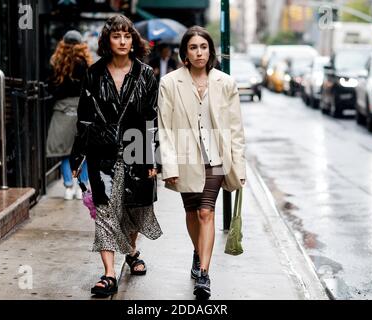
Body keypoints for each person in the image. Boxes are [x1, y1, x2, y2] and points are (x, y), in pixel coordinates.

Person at [70, 15, 162, 298]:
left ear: (134, 41)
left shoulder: (146, 74)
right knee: (106, 211)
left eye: (127, 36)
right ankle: (109, 274)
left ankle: (131, 251)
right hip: (102, 151)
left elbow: (151, 120)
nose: (122, 41)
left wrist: (151, 161)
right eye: (116, 36)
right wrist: (78, 155)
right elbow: (84, 118)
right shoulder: (94, 73)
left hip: (137, 149)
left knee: (134, 209)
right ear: (107, 41)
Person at [157, 26, 246, 300]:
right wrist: (169, 166)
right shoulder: (170, 83)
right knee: (192, 212)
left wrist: (239, 167)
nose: (199, 52)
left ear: (210, 51)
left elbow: (235, 129)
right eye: (193, 47)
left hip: (216, 159)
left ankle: (204, 275)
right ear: (185, 52)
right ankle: (198, 252)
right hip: (184, 159)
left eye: (204, 47)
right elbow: (165, 129)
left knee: (207, 212)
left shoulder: (225, 83)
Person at [46, 30, 92, 200]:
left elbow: (51, 87)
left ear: (63, 44)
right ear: (81, 45)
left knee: (65, 151)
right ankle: (82, 187)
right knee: (83, 151)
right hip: (82, 109)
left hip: (62, 109)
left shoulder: (56, 62)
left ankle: (68, 187)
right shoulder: (85, 64)